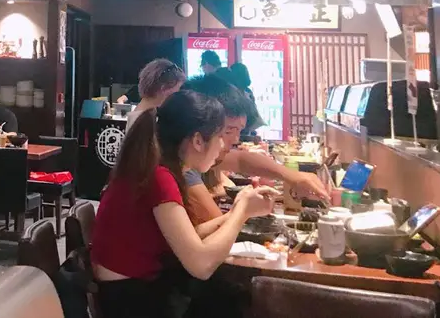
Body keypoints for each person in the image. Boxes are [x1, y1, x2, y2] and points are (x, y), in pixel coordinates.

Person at [90, 90, 275, 318]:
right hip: (131, 302)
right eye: (220, 135)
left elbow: (188, 237)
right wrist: (241, 212)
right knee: (235, 299)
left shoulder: (158, 168)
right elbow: (201, 265)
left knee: (230, 294)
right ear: (198, 141)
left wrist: (237, 212)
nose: (223, 145)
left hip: (133, 292)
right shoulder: (158, 176)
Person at [182, 75, 329, 213]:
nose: (235, 140)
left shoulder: (198, 155)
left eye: (239, 131)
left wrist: (293, 176)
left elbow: (241, 160)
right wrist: (245, 209)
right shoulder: (186, 167)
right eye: (228, 131)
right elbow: (214, 222)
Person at [126, 59, 186, 128]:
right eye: (178, 88)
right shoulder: (144, 122)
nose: (177, 93)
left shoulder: (142, 114)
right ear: (163, 88)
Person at [228, 62, 262, 140]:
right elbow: (254, 113)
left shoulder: (231, 92)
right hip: (248, 129)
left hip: (236, 130)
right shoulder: (248, 91)